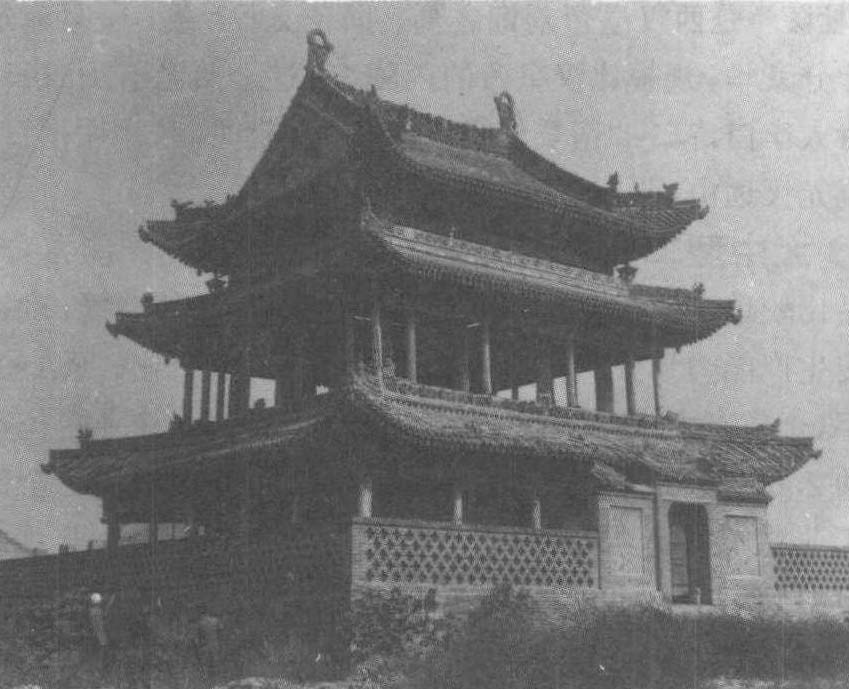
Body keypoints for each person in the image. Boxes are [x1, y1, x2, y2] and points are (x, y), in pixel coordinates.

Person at [196, 604, 224, 686]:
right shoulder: (215, 621)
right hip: (215, 646)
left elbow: (198, 639)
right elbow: (221, 631)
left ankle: (206, 684)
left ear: (201, 613)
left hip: (205, 648)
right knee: (215, 666)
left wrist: (198, 648)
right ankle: (217, 684)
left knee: (205, 667)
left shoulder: (200, 623)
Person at [88, 592, 114, 673]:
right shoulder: (98, 611)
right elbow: (102, 620)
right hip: (99, 632)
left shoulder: (91, 610)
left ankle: (97, 666)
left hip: (94, 632)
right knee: (102, 648)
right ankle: (99, 667)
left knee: (98, 649)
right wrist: (109, 604)